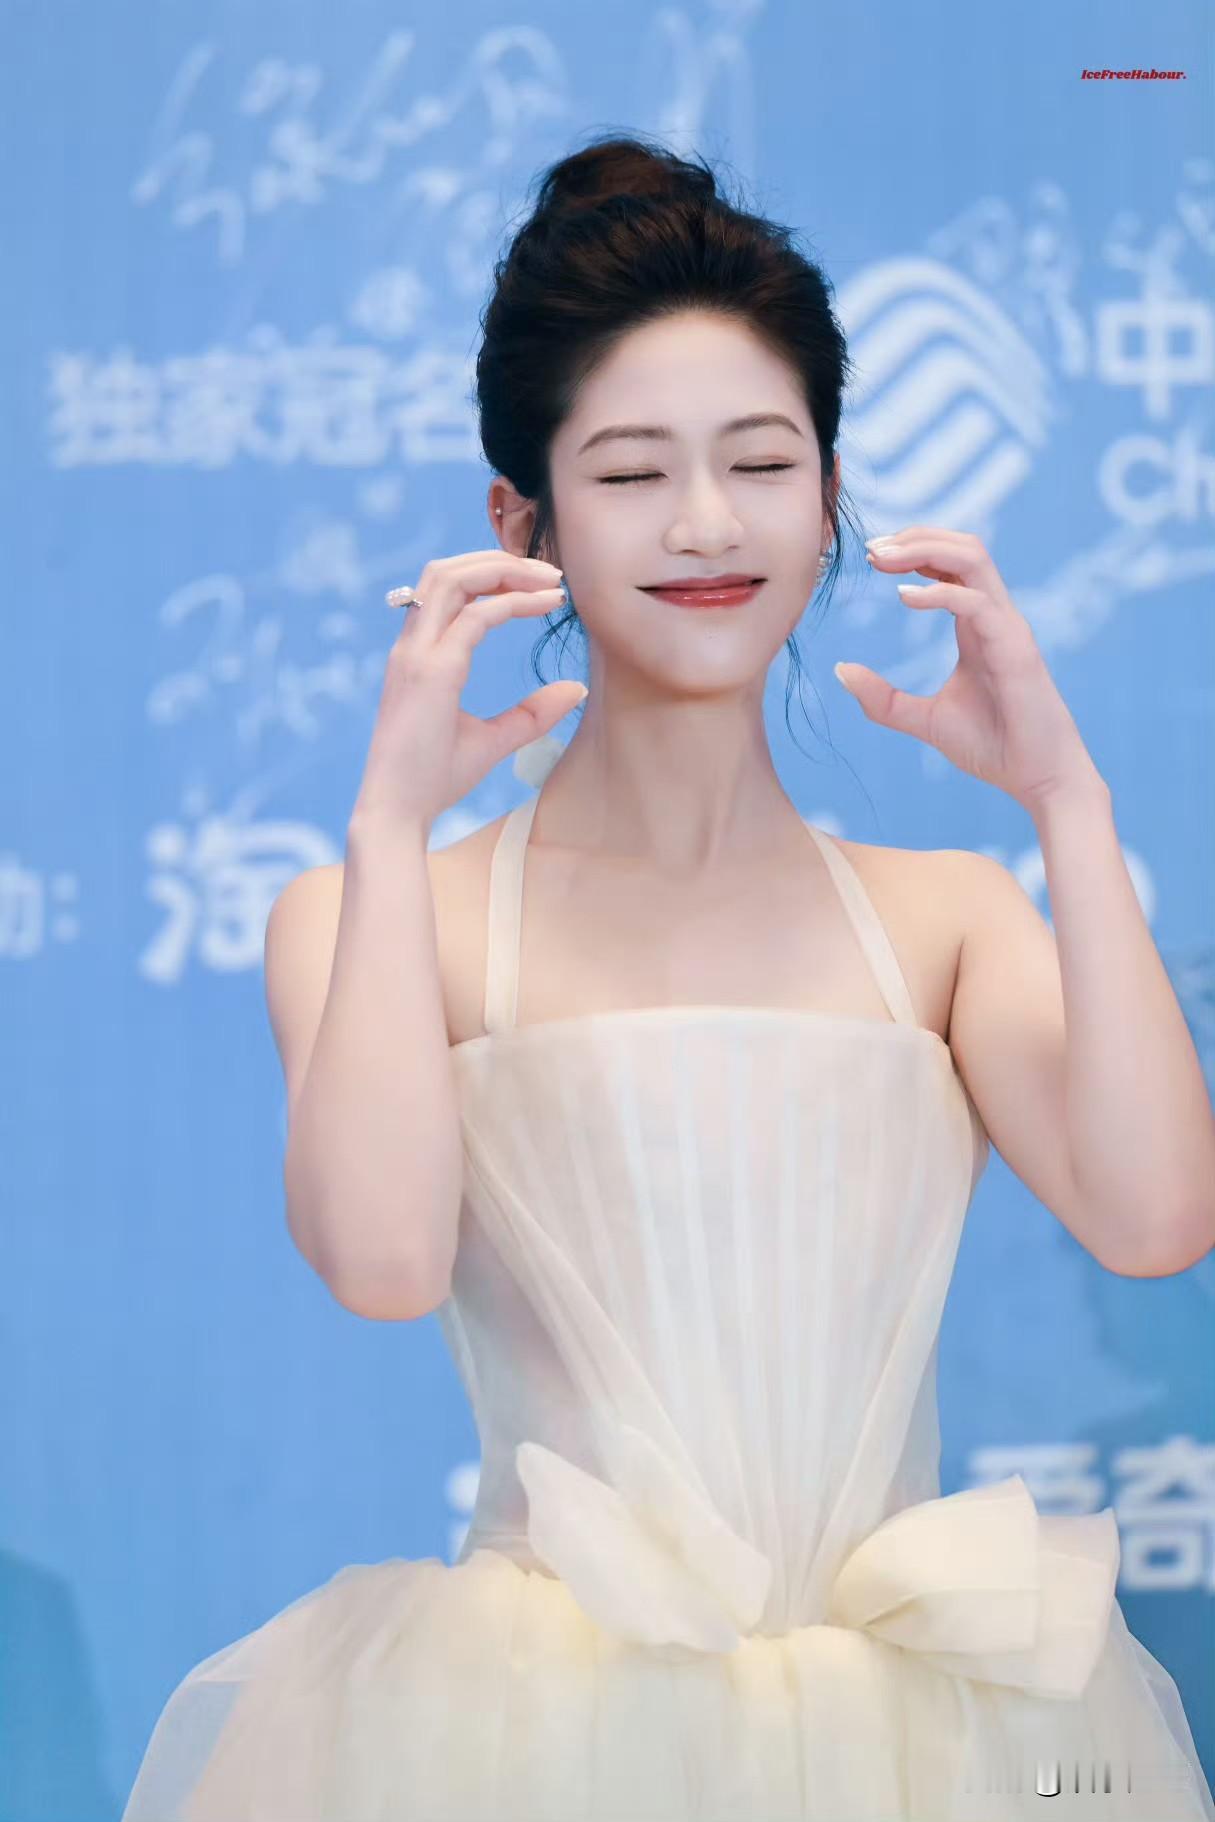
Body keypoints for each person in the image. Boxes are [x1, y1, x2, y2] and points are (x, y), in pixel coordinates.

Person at [121, 133, 1215, 1820]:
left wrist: (1069, 803)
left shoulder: (944, 921)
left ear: (830, 495)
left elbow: (1157, 1220)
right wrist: (390, 820)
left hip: (925, 1741)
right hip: (521, 1735)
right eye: (631, 473)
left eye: (762, 461)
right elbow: (386, 1261)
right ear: (521, 519)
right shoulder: (375, 913)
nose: (707, 523)